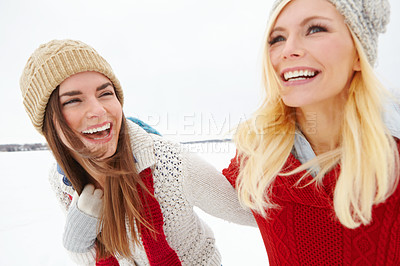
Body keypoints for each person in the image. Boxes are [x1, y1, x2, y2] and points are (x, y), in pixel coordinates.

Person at [19, 39, 255, 265]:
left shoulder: (168, 163)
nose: (99, 110)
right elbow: (92, 258)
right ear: (48, 122)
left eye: (105, 93)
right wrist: (77, 238)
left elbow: (253, 212)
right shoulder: (63, 180)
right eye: (73, 100)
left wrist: (264, 155)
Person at [222, 0, 400, 265]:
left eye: (315, 29)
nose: (288, 50)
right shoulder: (257, 154)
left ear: (358, 54)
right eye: (277, 38)